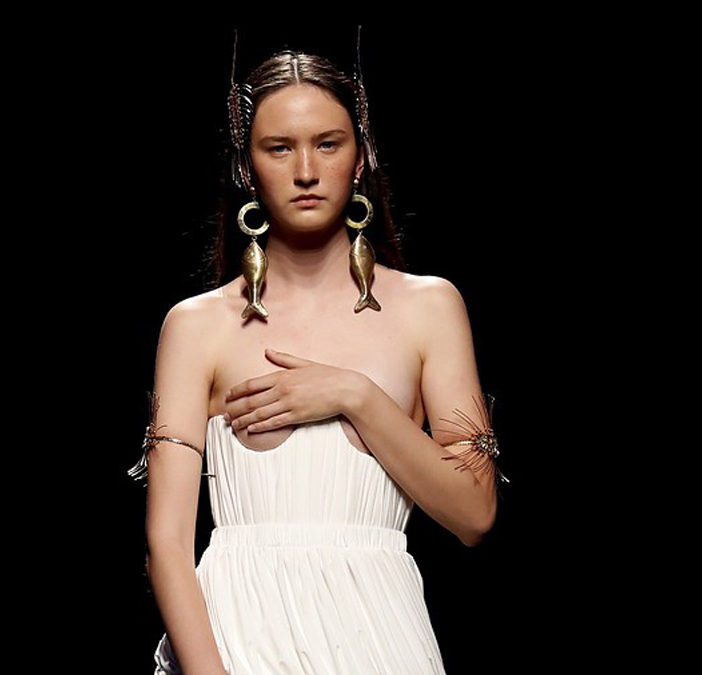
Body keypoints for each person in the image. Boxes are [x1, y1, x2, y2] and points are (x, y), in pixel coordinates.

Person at [129, 27, 508, 675]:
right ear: (246, 166)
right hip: (237, 642)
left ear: (360, 157)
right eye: (279, 147)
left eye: (328, 144)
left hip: (383, 642)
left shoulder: (429, 308)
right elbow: (166, 545)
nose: (305, 171)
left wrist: (353, 394)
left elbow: (474, 514)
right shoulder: (197, 326)